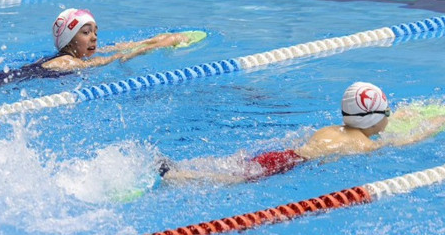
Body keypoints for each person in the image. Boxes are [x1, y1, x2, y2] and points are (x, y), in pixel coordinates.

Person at [160, 82, 445, 184]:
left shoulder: (335, 129)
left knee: (236, 169)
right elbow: (407, 140)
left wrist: (410, 113)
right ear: (373, 118)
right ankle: (180, 177)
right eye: (387, 113)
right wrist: (437, 123)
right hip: (287, 164)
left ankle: (181, 169)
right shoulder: (363, 145)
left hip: (281, 155)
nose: (391, 116)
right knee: (234, 180)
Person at [0, 8, 190, 97]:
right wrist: (151, 49)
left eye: (95, 31)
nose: (94, 37)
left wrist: (161, 40)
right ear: (70, 40)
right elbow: (112, 58)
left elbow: (119, 48)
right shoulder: (68, 63)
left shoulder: (71, 55)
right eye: (86, 32)